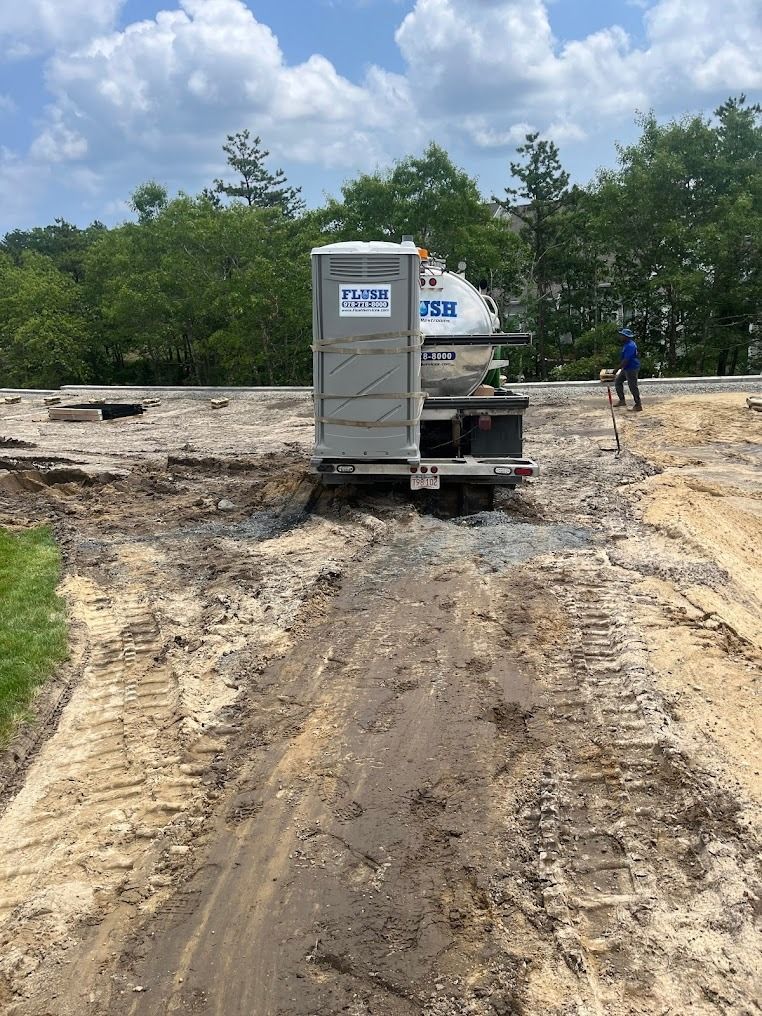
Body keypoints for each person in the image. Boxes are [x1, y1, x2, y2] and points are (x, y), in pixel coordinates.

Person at [613, 327, 642, 412]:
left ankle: (638, 405)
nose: (620, 337)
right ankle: (622, 400)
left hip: (631, 368)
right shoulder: (627, 344)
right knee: (618, 382)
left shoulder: (630, 346)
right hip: (626, 368)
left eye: (622, 335)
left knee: (633, 386)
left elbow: (626, 360)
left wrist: (616, 369)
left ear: (626, 336)